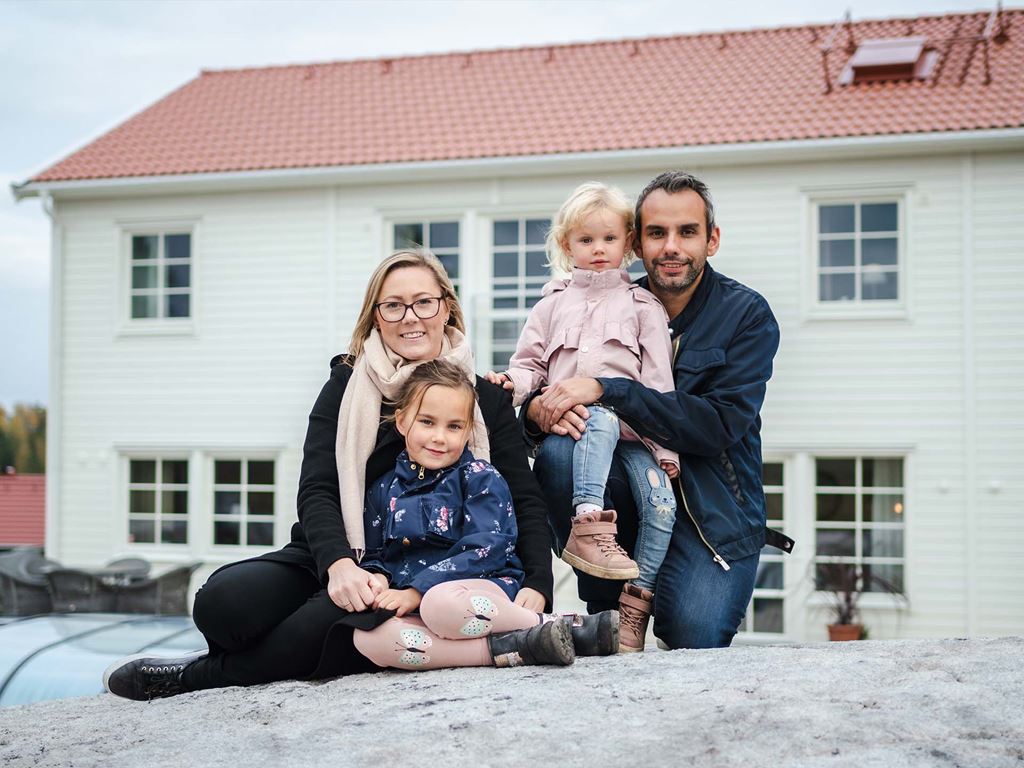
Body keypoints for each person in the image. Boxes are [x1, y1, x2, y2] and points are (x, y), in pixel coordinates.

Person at [104, 250, 612, 701]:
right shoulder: (347, 383)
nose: (410, 317)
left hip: (424, 566)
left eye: (424, 302)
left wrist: (537, 584)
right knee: (223, 606)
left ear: (447, 309)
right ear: (376, 316)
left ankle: (194, 680)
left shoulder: (484, 396)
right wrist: (339, 565)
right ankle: (310, 635)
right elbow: (318, 485)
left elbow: (520, 497)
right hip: (334, 551)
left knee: (322, 629)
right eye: (393, 305)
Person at [526, 171, 790, 651]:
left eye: (687, 232)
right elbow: (538, 370)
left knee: (695, 636)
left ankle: (659, 595)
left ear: (711, 240)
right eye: (656, 233)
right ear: (637, 242)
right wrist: (536, 412)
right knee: (561, 453)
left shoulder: (746, 315)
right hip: (621, 490)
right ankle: (608, 593)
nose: (671, 246)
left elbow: (717, 425)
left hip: (712, 514)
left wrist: (607, 389)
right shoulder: (596, 299)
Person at [485, 182, 679, 652]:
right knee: (598, 420)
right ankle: (589, 525)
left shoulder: (643, 307)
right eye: (586, 240)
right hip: (574, 430)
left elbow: (659, 387)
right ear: (566, 244)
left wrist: (665, 451)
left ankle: (636, 605)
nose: (598, 250)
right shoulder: (551, 304)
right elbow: (529, 364)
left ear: (628, 243)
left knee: (662, 506)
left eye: (609, 239)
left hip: (633, 435)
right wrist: (514, 387)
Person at [351, 358, 616, 670]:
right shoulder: (384, 489)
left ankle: (553, 623)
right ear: (402, 422)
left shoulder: (479, 477)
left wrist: (416, 591)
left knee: (441, 604)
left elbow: (487, 549)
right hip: (418, 606)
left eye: (453, 426)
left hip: (477, 588)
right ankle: (516, 647)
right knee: (367, 638)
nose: (439, 437)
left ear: (468, 432)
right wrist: (378, 577)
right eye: (426, 422)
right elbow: (374, 553)